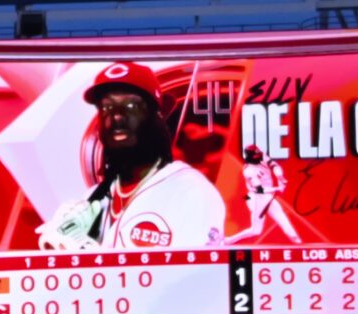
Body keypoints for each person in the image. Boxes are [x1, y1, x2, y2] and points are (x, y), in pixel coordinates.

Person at [37, 62, 241, 252]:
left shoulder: (191, 192)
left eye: (131, 106)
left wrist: (86, 253)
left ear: (158, 115)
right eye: (107, 107)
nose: (116, 116)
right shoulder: (93, 200)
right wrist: (62, 252)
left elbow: (196, 282)